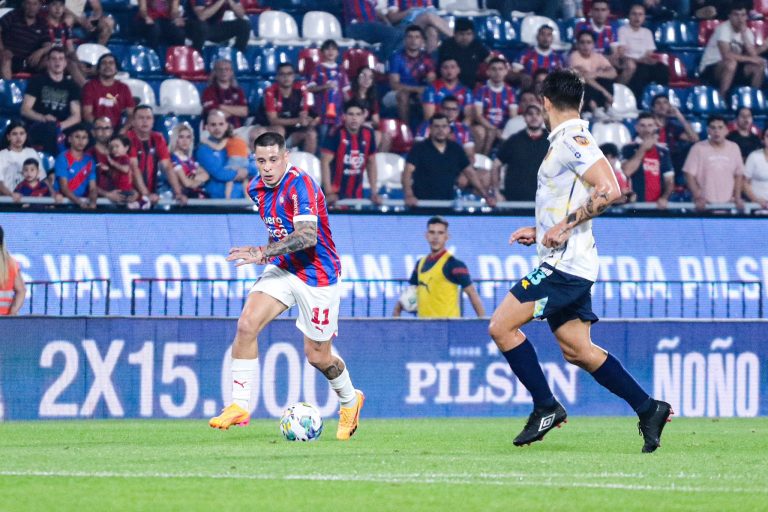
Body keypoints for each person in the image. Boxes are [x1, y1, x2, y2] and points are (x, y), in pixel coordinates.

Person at [487, 69, 672, 453]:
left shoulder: (574, 140)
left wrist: (566, 226)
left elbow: (611, 190)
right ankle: (649, 407)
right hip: (569, 260)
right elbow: (574, 198)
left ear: (545, 102)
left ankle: (546, 406)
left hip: (564, 267)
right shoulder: (565, 141)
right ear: (582, 102)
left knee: (501, 326)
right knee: (577, 349)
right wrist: (542, 231)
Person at [209, 131, 365, 442]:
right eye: (261, 161)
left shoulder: (301, 185)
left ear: (286, 158)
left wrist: (262, 252)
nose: (267, 168)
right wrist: (267, 253)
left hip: (318, 275)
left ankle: (350, 401)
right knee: (246, 324)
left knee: (318, 356)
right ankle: (239, 405)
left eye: (273, 160)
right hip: (284, 267)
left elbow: (307, 236)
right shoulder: (256, 188)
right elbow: (276, 229)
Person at [393, 216, 485, 318]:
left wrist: (483, 322)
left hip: (448, 329)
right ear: (426, 235)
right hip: (423, 327)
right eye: (432, 232)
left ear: (447, 237)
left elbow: (472, 293)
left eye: (440, 233)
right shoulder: (420, 264)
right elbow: (408, 293)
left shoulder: (454, 264)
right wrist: (396, 313)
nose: (435, 237)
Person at [403, 113, 492, 207]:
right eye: (436, 127)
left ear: (449, 129)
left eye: (444, 126)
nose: (440, 130)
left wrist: (486, 195)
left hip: (447, 203)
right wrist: (409, 195)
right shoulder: (419, 149)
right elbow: (407, 173)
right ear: (431, 129)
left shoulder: (455, 149)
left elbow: (470, 173)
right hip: (421, 204)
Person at [21, 46, 81, 156]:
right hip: (39, 124)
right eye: (54, 59)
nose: (57, 62)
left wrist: (61, 126)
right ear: (48, 62)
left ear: (65, 63)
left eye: (61, 59)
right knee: (51, 128)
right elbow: (25, 110)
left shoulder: (72, 86)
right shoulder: (37, 81)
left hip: (62, 125)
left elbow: (76, 116)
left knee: (85, 130)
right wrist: (43, 118)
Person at [320, 100, 380, 206]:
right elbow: (325, 163)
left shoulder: (369, 133)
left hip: (357, 195)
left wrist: (374, 192)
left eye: (358, 114)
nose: (354, 118)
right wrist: (328, 192)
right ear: (344, 116)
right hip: (335, 195)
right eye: (350, 114)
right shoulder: (335, 133)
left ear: (363, 117)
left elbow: (371, 163)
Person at [698, 3, 764, 97]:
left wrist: (744, 35)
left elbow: (753, 55)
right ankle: (722, 98)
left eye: (743, 15)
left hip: (733, 69)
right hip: (710, 68)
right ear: (730, 16)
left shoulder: (747, 32)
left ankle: (752, 98)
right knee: (731, 63)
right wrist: (750, 59)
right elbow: (726, 55)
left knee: (758, 67)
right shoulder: (723, 28)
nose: (740, 19)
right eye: (736, 15)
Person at [126, 105, 186, 206]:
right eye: (141, 118)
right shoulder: (128, 138)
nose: (145, 121)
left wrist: (178, 193)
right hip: (130, 194)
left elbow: (167, 166)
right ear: (133, 121)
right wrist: (146, 194)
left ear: (153, 121)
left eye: (148, 118)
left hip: (150, 193)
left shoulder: (158, 138)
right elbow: (133, 167)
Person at [684, 115, 745, 212]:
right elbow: (689, 174)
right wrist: (697, 196)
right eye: (713, 128)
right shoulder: (698, 148)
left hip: (728, 204)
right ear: (708, 130)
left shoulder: (734, 148)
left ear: (726, 130)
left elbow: (739, 174)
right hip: (705, 205)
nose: (716, 131)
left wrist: (737, 196)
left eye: (720, 127)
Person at [492, 104, 548, 202]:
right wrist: (496, 192)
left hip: (546, 199)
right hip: (516, 198)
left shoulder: (552, 141)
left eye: (538, 114)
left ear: (543, 117)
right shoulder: (513, 141)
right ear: (524, 118)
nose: (534, 117)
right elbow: (496, 165)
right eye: (530, 114)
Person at [260, 63, 318, 154]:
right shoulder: (270, 92)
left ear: (294, 76)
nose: (286, 77)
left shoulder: (301, 90)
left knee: (311, 134)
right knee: (279, 130)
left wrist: (309, 121)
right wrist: (298, 120)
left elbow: (304, 115)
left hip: (291, 133)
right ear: (277, 77)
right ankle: (275, 164)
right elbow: (273, 120)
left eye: (289, 74)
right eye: (282, 74)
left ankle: (307, 166)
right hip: (268, 131)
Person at [621, 112, 674, 208]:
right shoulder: (628, 148)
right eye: (642, 125)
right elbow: (627, 171)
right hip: (635, 206)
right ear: (637, 127)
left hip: (658, 207)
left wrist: (664, 197)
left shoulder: (663, 151)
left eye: (650, 125)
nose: (646, 129)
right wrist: (643, 148)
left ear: (655, 128)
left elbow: (669, 180)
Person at [196, 109, 252, 199]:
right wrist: (241, 172)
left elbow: (254, 165)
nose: (217, 128)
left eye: (221, 124)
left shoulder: (236, 141)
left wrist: (247, 171)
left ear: (226, 126)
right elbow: (220, 174)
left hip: (243, 201)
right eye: (213, 125)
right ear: (207, 127)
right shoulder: (203, 149)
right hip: (218, 202)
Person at [616, 3, 668, 100]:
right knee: (641, 72)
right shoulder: (622, 30)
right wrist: (639, 60)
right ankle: (635, 102)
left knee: (663, 69)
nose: (637, 17)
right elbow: (622, 53)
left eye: (640, 14)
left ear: (644, 17)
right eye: (634, 14)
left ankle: (661, 99)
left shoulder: (647, 32)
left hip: (643, 62)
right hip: (629, 63)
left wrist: (647, 60)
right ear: (629, 16)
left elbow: (649, 53)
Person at [387, 25, 436, 125]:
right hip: (395, 94)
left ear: (422, 40)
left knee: (427, 95)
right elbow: (394, 85)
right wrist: (416, 89)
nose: (413, 40)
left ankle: (426, 129)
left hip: (419, 92)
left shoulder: (427, 58)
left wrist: (425, 88)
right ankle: (406, 131)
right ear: (405, 40)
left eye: (417, 37)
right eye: (410, 37)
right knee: (403, 95)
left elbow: (432, 81)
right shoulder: (396, 57)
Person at [472, 57, 517, 156]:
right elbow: (478, 115)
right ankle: (480, 160)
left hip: (504, 127)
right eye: (494, 69)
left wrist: (505, 130)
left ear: (506, 71)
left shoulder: (511, 91)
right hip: (486, 126)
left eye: (500, 69)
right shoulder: (481, 90)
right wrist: (493, 129)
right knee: (482, 132)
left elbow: (513, 116)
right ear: (488, 72)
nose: (497, 72)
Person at [81, 53, 135, 130]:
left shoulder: (124, 88)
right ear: (98, 69)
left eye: (111, 63)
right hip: (95, 128)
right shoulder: (90, 86)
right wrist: (102, 128)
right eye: (104, 63)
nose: (107, 66)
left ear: (116, 69)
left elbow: (131, 114)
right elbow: (87, 114)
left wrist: (123, 130)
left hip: (117, 129)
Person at [0, 0, 51, 81]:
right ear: (23, 4)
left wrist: (41, 51)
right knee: (5, 58)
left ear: (39, 6)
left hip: (30, 61)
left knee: (50, 60)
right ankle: (9, 90)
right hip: (10, 57)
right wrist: (2, 50)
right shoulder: (14, 15)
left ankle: (41, 90)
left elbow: (48, 44)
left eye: (35, 4)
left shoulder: (42, 22)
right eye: (28, 3)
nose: (31, 7)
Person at [569, 30, 617, 116]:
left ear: (593, 44)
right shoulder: (574, 56)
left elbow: (613, 73)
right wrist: (604, 92)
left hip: (597, 91)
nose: (585, 46)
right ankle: (594, 109)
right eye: (582, 42)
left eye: (588, 42)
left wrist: (597, 74)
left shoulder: (598, 56)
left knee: (606, 79)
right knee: (583, 82)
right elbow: (585, 76)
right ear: (577, 44)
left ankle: (608, 108)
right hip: (580, 95)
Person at [307, 40, 347, 141]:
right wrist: (324, 86)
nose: (330, 51)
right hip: (322, 113)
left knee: (337, 139)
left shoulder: (341, 70)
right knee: (323, 138)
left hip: (338, 112)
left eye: (333, 49)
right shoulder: (317, 69)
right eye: (327, 49)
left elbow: (345, 91)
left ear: (338, 52)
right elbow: (310, 88)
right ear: (322, 52)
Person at [415, 95, 475, 162]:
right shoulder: (426, 125)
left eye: (454, 109)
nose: (450, 112)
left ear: (458, 112)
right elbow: (419, 150)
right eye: (447, 109)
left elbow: (469, 154)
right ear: (440, 110)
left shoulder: (464, 129)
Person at [53, 123, 97, 209]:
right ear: (69, 139)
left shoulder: (90, 160)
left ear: (88, 141)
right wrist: (80, 203)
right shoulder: (62, 158)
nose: (81, 141)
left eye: (84, 137)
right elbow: (64, 187)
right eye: (77, 137)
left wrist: (93, 202)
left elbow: (93, 188)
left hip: (81, 204)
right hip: (62, 205)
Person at [437, 18, 490, 88]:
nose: (465, 37)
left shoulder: (477, 45)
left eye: (468, 34)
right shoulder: (446, 46)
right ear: (455, 34)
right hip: (449, 86)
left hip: (472, 86)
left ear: (473, 35)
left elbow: (490, 60)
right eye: (461, 34)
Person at [45, 0, 86, 87]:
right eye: (54, 4)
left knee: (80, 66)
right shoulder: (42, 24)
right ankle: (88, 91)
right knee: (70, 64)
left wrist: (79, 63)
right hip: (44, 59)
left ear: (64, 8)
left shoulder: (65, 26)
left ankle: (83, 94)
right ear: (48, 7)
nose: (58, 8)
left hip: (60, 58)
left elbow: (70, 49)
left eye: (61, 5)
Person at [385, 0, 452, 53]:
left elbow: (434, 11)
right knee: (427, 16)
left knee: (432, 32)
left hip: (427, 24)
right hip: (406, 25)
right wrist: (410, 11)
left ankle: (430, 65)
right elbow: (392, 18)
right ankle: (453, 38)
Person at [0, 121, 43, 198]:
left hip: (31, 200)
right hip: (8, 202)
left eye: (22, 133)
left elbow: (42, 179)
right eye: (14, 134)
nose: (18, 137)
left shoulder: (32, 153)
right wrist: (11, 195)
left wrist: (53, 195)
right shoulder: (2, 155)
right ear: (8, 137)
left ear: (26, 136)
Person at [202, 58, 248, 129]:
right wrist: (236, 111)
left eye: (227, 69)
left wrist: (220, 106)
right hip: (215, 130)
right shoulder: (209, 91)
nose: (223, 72)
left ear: (231, 72)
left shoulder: (238, 91)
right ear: (215, 72)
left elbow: (244, 112)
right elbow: (215, 115)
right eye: (220, 69)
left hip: (238, 130)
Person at [169, 122, 209, 199]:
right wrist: (198, 181)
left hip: (197, 199)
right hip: (182, 201)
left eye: (188, 137)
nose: (185, 140)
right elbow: (186, 183)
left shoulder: (190, 159)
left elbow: (206, 175)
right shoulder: (173, 159)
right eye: (181, 137)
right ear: (175, 139)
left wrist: (191, 178)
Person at [106, 134, 140, 207]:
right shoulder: (116, 159)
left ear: (126, 148)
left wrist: (113, 163)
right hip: (117, 189)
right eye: (112, 147)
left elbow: (125, 169)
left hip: (125, 189)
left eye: (117, 146)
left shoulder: (124, 158)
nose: (114, 149)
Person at [0, 226, 26, 316]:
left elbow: (21, 291)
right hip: (5, 322)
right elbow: (21, 290)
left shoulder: (10, 264)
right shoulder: (11, 264)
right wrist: (12, 313)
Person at [743, 130, 768, 209]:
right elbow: (744, 182)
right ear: (763, 140)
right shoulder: (754, 156)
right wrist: (756, 200)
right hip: (757, 206)